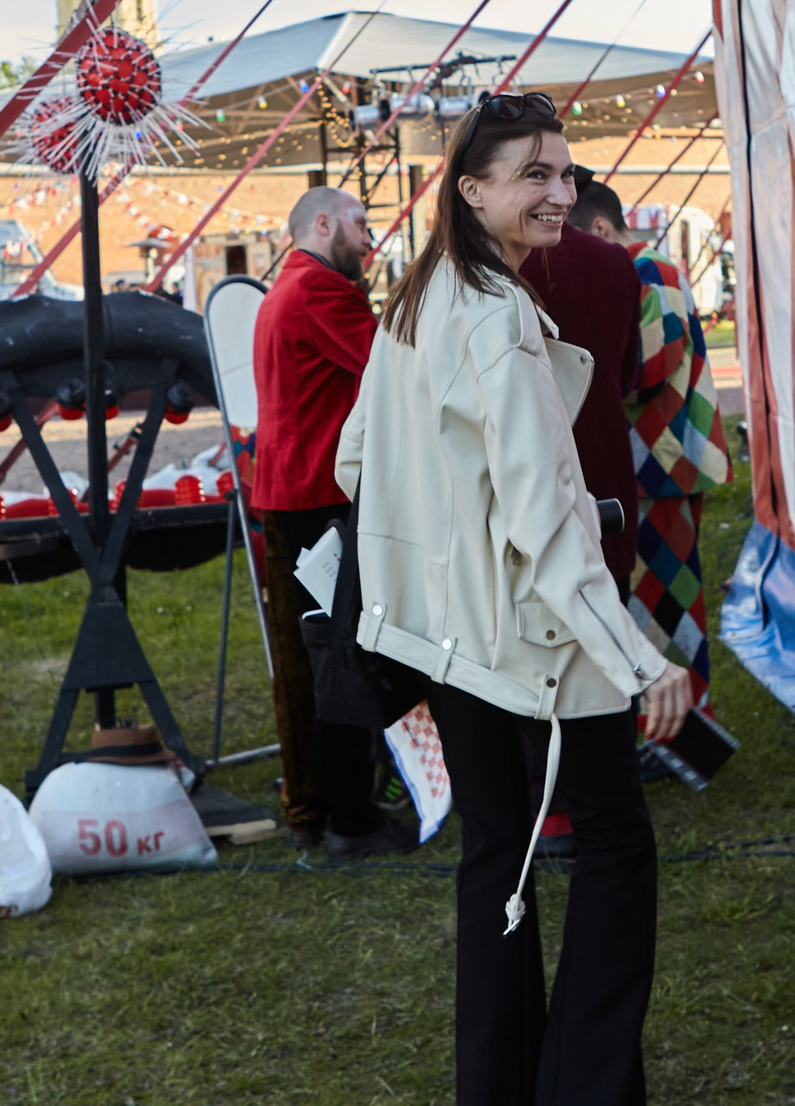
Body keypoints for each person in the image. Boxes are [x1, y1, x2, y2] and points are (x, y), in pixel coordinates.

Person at [337, 91, 691, 1106]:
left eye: (565, 172)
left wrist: (447, 552)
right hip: (533, 631)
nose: (557, 192)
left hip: (454, 633)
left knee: (497, 858)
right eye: (533, 173)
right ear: (472, 188)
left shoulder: (416, 296)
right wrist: (639, 659)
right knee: (614, 844)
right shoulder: (492, 318)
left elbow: (355, 461)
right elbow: (543, 521)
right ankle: (583, 1088)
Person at [249, 184, 411, 858]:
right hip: (316, 496)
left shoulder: (289, 284)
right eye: (359, 222)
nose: (368, 238)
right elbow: (396, 370)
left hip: (290, 492)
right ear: (322, 222)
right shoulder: (321, 289)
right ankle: (349, 816)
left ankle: (320, 804)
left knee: (310, 655)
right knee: (339, 654)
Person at [575, 183, 734, 716]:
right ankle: (663, 723)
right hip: (649, 465)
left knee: (670, 602)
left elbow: (653, 363)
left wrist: (584, 378)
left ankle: (684, 727)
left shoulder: (652, 271)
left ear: (599, 228)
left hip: (666, 463)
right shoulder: (642, 269)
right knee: (650, 598)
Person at [516, 169, 644, 589]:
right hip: (606, 462)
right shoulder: (613, 260)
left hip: (531, 476)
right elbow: (628, 375)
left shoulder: (497, 266)